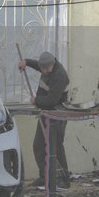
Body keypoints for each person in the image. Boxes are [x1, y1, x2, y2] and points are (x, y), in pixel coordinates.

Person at [18, 51, 70, 189]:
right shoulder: (45, 67)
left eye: (47, 69)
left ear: (53, 64)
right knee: (39, 145)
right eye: (43, 68)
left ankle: (64, 179)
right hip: (45, 113)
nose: (45, 71)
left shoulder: (59, 75)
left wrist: (36, 100)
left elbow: (52, 99)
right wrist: (26, 62)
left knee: (56, 147)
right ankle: (44, 177)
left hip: (57, 113)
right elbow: (37, 65)